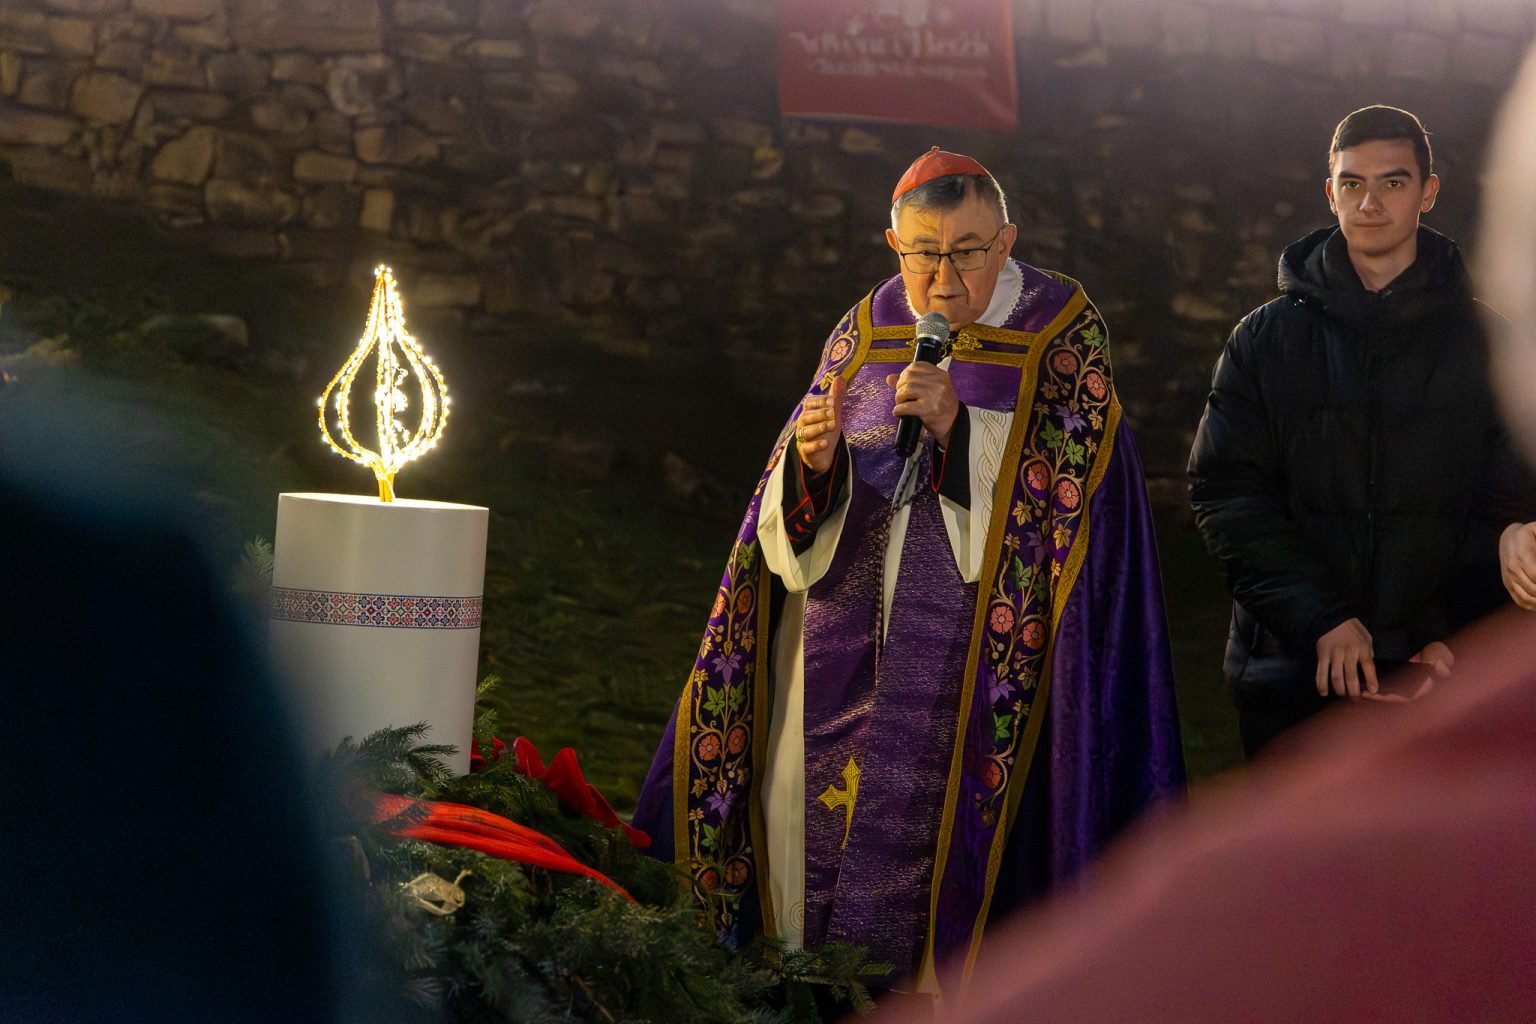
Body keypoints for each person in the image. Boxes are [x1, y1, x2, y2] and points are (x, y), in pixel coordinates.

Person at [632, 147, 1184, 994]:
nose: (943, 278)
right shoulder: (865, 328)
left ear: (1006, 242)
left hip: (978, 671)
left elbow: (1084, 500)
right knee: (807, 861)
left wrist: (963, 433)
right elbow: (786, 514)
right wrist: (814, 468)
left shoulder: (1059, 333)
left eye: (967, 251)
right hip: (834, 654)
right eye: (923, 253)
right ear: (893, 243)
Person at [1188, 105, 1536, 758]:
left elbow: (1510, 504)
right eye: (1353, 183)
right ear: (1331, 193)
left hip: (1437, 675)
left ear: (1429, 191)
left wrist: (1445, 633)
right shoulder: (1265, 340)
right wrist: (1321, 618)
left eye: (1393, 182)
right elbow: (1227, 493)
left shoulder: (1487, 344)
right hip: (1294, 670)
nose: (1370, 202)